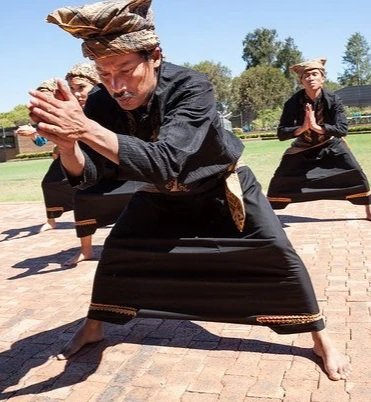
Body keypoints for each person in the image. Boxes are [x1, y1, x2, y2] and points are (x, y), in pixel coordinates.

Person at [28, 0, 351, 381]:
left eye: (126, 71)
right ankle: (97, 325)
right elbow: (93, 173)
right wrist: (67, 145)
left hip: (221, 187)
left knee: (278, 256)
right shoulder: (101, 101)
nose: (115, 85)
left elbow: (167, 160)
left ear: (156, 57)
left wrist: (83, 129)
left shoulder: (191, 87)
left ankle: (319, 337)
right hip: (159, 194)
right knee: (118, 253)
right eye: (104, 73)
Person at [267, 58, 371, 220]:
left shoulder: (333, 99)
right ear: (301, 81)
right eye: (306, 76)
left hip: (330, 143)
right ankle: (267, 217)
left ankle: (368, 210)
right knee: (280, 180)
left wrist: (317, 127)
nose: (311, 78)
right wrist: (303, 128)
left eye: (315, 74)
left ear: (322, 78)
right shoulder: (293, 103)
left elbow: (342, 129)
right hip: (303, 145)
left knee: (356, 173)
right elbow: (281, 133)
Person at [64, 62, 141, 267]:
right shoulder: (79, 112)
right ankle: (86, 250)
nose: (77, 93)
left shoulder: (116, 103)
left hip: (128, 167)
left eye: (81, 87)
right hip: (101, 170)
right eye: (72, 89)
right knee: (82, 196)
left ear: (96, 84)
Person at [16, 79, 75, 233]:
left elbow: (70, 129)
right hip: (63, 154)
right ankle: (52, 221)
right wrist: (32, 136)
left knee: (90, 185)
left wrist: (35, 131)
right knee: (49, 183)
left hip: (83, 153)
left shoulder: (69, 108)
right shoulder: (46, 116)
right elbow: (42, 142)